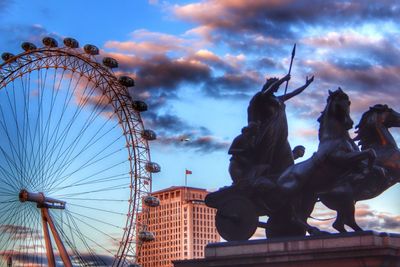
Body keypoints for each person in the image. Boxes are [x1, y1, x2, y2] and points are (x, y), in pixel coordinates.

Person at [247, 74, 314, 177]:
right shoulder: (261, 97)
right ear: (271, 85)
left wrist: (306, 85)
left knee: (288, 162)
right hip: (268, 133)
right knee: (266, 160)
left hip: (281, 135)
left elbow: (293, 93)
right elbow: (268, 91)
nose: (278, 88)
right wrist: (283, 79)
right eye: (276, 86)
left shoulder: (278, 99)